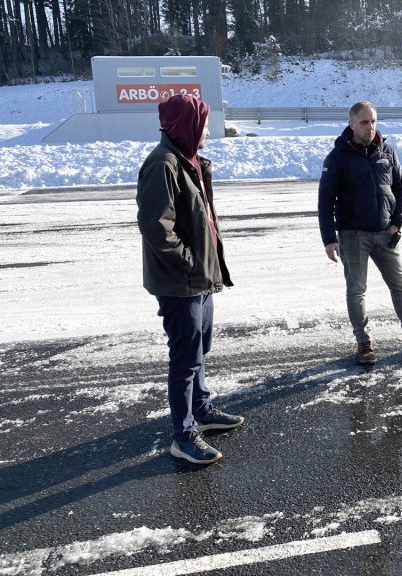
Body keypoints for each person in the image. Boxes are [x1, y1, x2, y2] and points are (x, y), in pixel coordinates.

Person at [136, 94, 244, 465]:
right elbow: (156, 226)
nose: (208, 133)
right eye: (203, 124)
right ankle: (183, 436)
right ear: (187, 125)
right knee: (184, 358)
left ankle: (201, 409)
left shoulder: (188, 159)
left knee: (200, 349)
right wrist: (188, 262)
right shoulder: (163, 164)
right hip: (180, 280)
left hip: (198, 276)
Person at [318, 101, 402, 364]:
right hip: (353, 235)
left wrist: (397, 222)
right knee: (356, 291)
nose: (370, 127)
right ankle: (363, 344)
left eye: (373, 121)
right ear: (351, 123)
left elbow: (401, 187)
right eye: (364, 122)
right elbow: (325, 199)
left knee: (400, 288)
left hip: (385, 234)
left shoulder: (386, 150)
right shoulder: (338, 157)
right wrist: (330, 239)